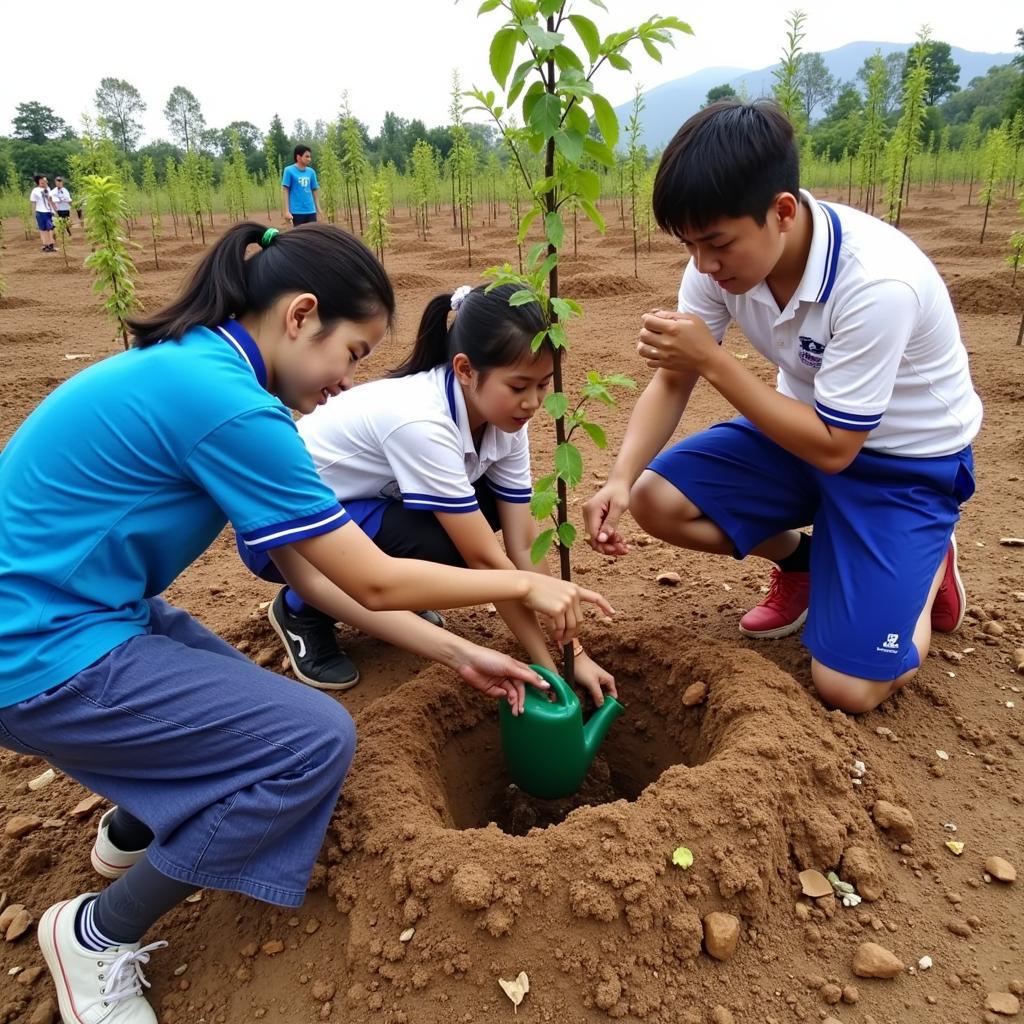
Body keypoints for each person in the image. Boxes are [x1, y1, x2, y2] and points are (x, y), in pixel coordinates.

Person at [0, 221, 612, 1023]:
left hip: (93, 613)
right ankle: (96, 935)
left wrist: (461, 652)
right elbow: (376, 579)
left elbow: (314, 583)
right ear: (300, 316)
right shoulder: (231, 407)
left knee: (231, 694)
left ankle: (140, 818)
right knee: (311, 743)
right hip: (40, 650)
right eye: (353, 353)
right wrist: (522, 589)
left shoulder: (204, 374)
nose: (347, 381)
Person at [583, 100, 982, 716]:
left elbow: (836, 446)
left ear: (783, 212)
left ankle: (927, 569)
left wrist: (713, 362)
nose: (704, 265)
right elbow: (671, 381)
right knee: (655, 500)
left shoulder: (877, 283)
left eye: (717, 243)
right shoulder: (716, 270)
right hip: (797, 434)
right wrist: (618, 476)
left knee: (848, 688)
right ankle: (810, 562)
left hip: (903, 464)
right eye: (690, 244)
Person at [240, 282, 618, 704]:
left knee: (484, 509)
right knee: (448, 542)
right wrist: (551, 671)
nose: (532, 403)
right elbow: (485, 560)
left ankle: (401, 591)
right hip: (285, 536)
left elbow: (523, 542)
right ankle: (301, 610)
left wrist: (570, 656)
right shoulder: (421, 422)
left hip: (368, 507)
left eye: (543, 386)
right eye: (518, 386)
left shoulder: (507, 419)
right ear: (465, 369)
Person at [281, 145, 321, 226]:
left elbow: (314, 189)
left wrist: (318, 208)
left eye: (310, 157)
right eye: (307, 156)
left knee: (312, 235)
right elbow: (285, 191)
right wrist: (286, 211)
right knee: (299, 237)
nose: (309, 159)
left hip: (311, 211)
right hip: (296, 211)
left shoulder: (311, 172)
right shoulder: (288, 171)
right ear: (298, 157)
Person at [29, 174, 57, 252]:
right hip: (40, 212)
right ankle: (46, 245)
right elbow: (33, 202)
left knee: (51, 228)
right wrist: (34, 212)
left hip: (49, 211)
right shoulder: (35, 190)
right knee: (43, 229)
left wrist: (55, 210)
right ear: (39, 182)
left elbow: (51, 200)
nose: (46, 182)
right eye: (44, 181)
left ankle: (51, 244)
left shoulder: (48, 189)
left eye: (46, 180)